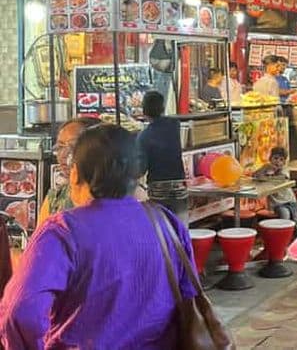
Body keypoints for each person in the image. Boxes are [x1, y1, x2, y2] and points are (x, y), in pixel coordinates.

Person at [0, 124, 196, 348]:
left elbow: (20, 312)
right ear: (137, 174)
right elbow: (188, 296)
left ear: (75, 174)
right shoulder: (166, 223)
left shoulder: (62, 232)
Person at [38, 117, 102, 226]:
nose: (64, 155)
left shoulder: (115, 198)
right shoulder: (55, 199)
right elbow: (38, 239)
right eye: (60, 147)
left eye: (73, 147)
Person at [136, 91, 188, 222]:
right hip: (179, 185)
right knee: (180, 225)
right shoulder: (174, 125)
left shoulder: (144, 136)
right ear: (163, 108)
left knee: (162, 227)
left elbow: (141, 168)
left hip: (158, 188)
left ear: (144, 110)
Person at [253, 147, 297, 234]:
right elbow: (255, 175)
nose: (278, 161)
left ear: (284, 162)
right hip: (278, 204)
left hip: (291, 201)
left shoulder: (284, 170)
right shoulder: (266, 168)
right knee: (285, 218)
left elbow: (281, 178)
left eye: (281, 160)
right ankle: (284, 238)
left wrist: (266, 177)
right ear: (270, 159)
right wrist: (264, 168)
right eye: (275, 158)